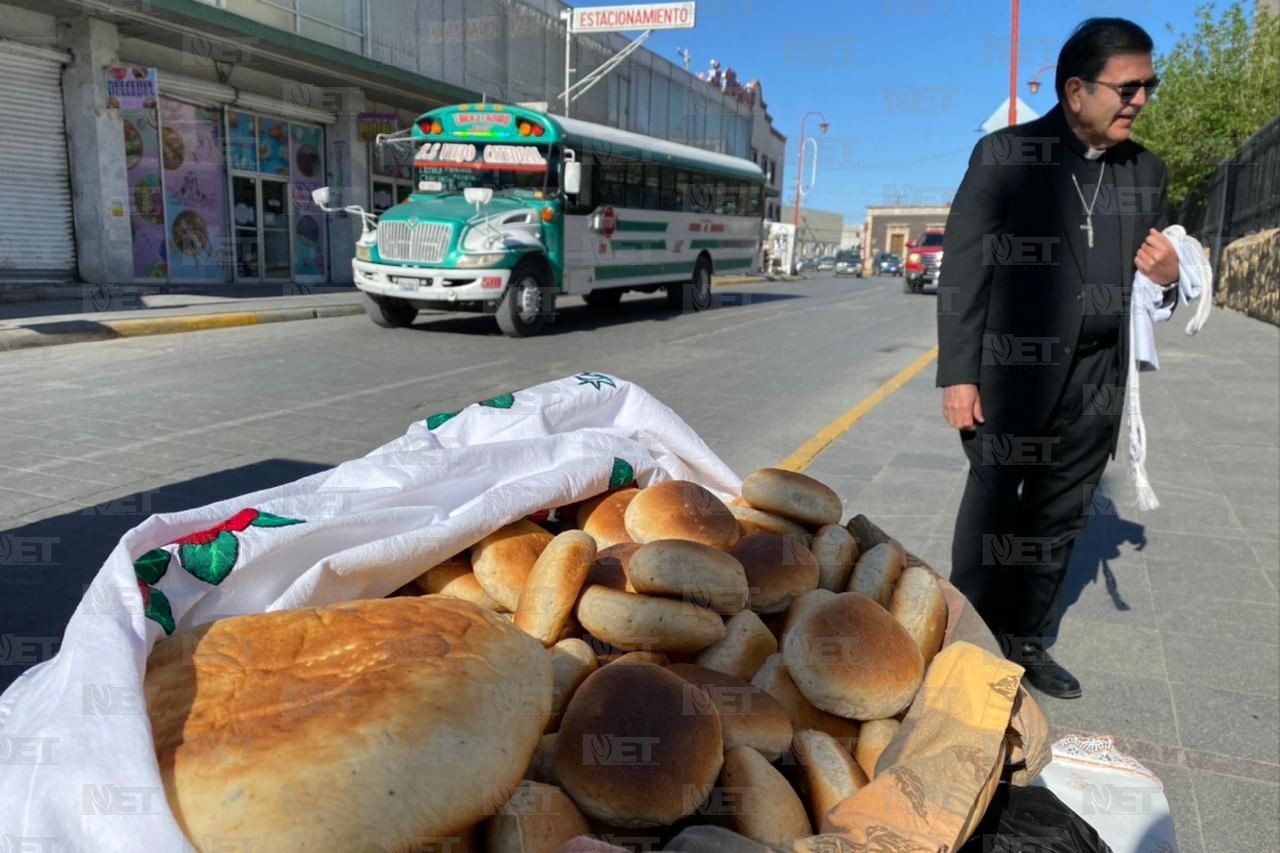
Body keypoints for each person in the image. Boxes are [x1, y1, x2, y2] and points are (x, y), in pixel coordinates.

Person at [936, 18, 1181, 699]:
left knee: (1059, 516)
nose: (1139, 99)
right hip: (1009, 375)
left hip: (1097, 379)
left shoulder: (1147, 171)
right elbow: (963, 271)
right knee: (991, 519)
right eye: (1126, 86)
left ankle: (1028, 641)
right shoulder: (1006, 155)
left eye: (1147, 86)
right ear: (1076, 91)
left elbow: (1155, 283)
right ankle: (968, 645)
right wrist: (957, 374)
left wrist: (1168, 279)